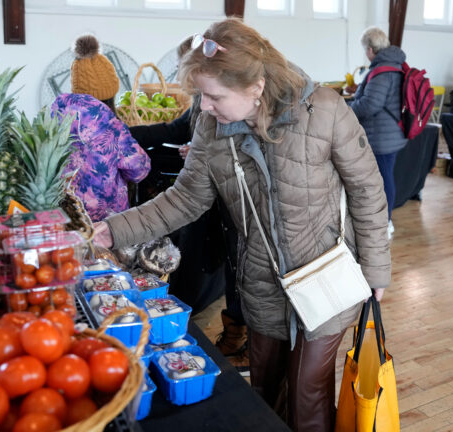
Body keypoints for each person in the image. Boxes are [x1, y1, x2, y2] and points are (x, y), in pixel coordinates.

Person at [93, 18, 390, 431]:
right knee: (266, 388)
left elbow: (367, 189)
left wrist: (375, 268)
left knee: (308, 391)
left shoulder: (322, 109)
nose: (204, 106)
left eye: (213, 96)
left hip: (327, 276)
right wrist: (115, 229)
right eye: (201, 95)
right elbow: (184, 198)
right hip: (261, 282)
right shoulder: (211, 130)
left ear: (256, 87)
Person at [128, 37, 249, 371]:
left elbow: (238, 144)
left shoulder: (234, 99)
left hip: (232, 199)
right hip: (212, 196)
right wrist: (127, 133)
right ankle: (229, 333)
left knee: (239, 268)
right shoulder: (202, 99)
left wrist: (201, 151)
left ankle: (239, 339)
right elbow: (178, 128)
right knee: (228, 264)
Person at [51, 34, 151, 222]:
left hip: (63, 213)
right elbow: (140, 169)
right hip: (104, 221)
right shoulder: (111, 125)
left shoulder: (56, 115)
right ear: (109, 93)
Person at [347, 26, 407, 240]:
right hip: (390, 134)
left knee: (383, 179)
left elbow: (370, 104)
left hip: (382, 137)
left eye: (366, 50)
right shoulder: (394, 65)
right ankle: (382, 219)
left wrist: (347, 110)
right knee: (384, 177)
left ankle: (386, 222)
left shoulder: (382, 71)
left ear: (371, 49)